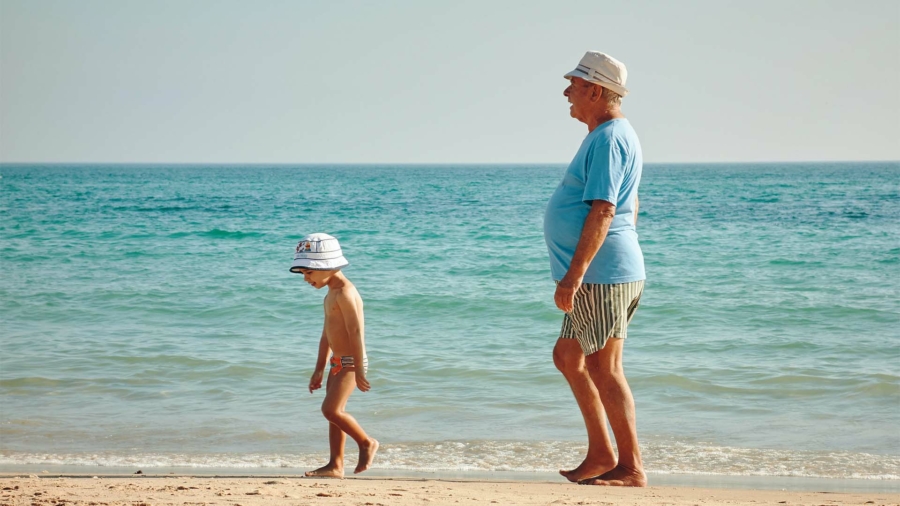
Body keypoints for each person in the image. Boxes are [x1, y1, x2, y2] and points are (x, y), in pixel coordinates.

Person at [544, 51, 647, 487]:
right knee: (569, 356)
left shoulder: (609, 138)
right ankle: (602, 454)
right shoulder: (606, 135)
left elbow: (605, 209)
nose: (567, 90)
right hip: (604, 271)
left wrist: (576, 273)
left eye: (574, 82)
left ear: (596, 90)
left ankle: (630, 467)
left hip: (601, 275)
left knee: (604, 368)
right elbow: (632, 204)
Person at [290, 233, 378, 478]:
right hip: (337, 362)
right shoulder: (330, 293)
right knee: (334, 416)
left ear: (327, 266)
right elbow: (326, 335)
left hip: (351, 362)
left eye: (309, 272)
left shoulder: (345, 293)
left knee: (331, 410)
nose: (306, 278)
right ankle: (335, 465)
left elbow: (356, 331)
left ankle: (366, 442)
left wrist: (359, 368)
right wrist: (319, 368)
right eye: (303, 274)